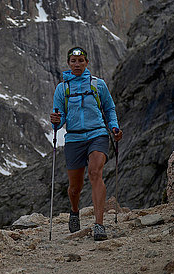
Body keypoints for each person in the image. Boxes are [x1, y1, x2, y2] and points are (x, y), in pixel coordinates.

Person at [50, 46, 123, 241]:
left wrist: (114, 127)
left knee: (95, 173)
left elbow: (109, 108)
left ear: (86, 63)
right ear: (68, 64)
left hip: (97, 134)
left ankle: (99, 224)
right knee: (75, 187)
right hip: (74, 138)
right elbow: (60, 118)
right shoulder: (62, 88)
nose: (77, 64)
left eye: (81, 61)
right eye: (73, 61)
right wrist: (55, 120)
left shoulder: (98, 85)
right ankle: (75, 211)